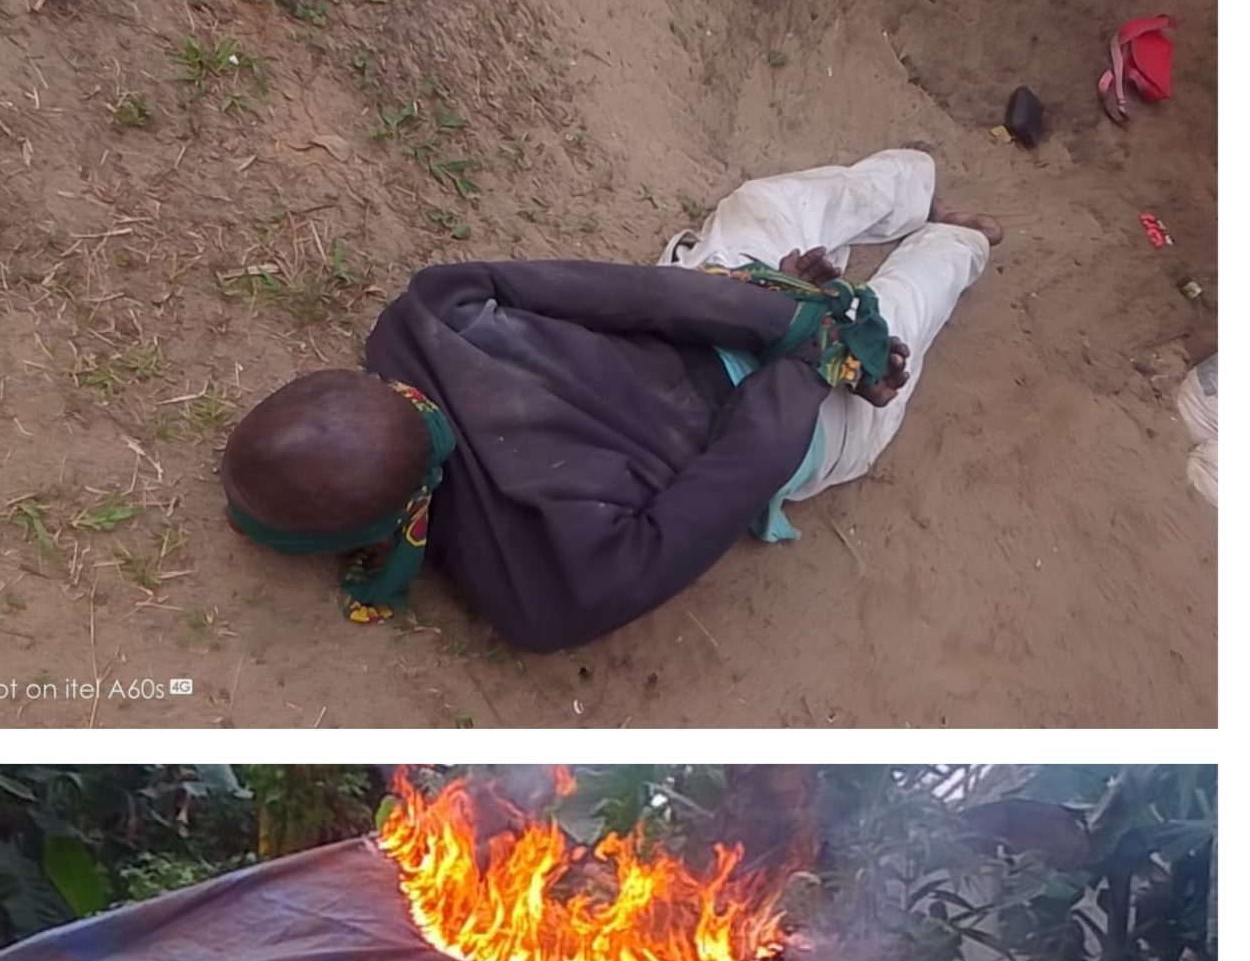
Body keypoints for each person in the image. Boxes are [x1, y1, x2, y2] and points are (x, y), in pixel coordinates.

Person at [219, 150, 999, 652]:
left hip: (722, 312)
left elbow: (625, 294)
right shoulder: (542, 580)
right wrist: (815, 354)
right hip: (794, 418)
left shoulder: (430, 316)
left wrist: (788, 312)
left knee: (771, 215)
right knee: (897, 314)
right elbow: (733, 478)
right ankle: (959, 242)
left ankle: (916, 188)